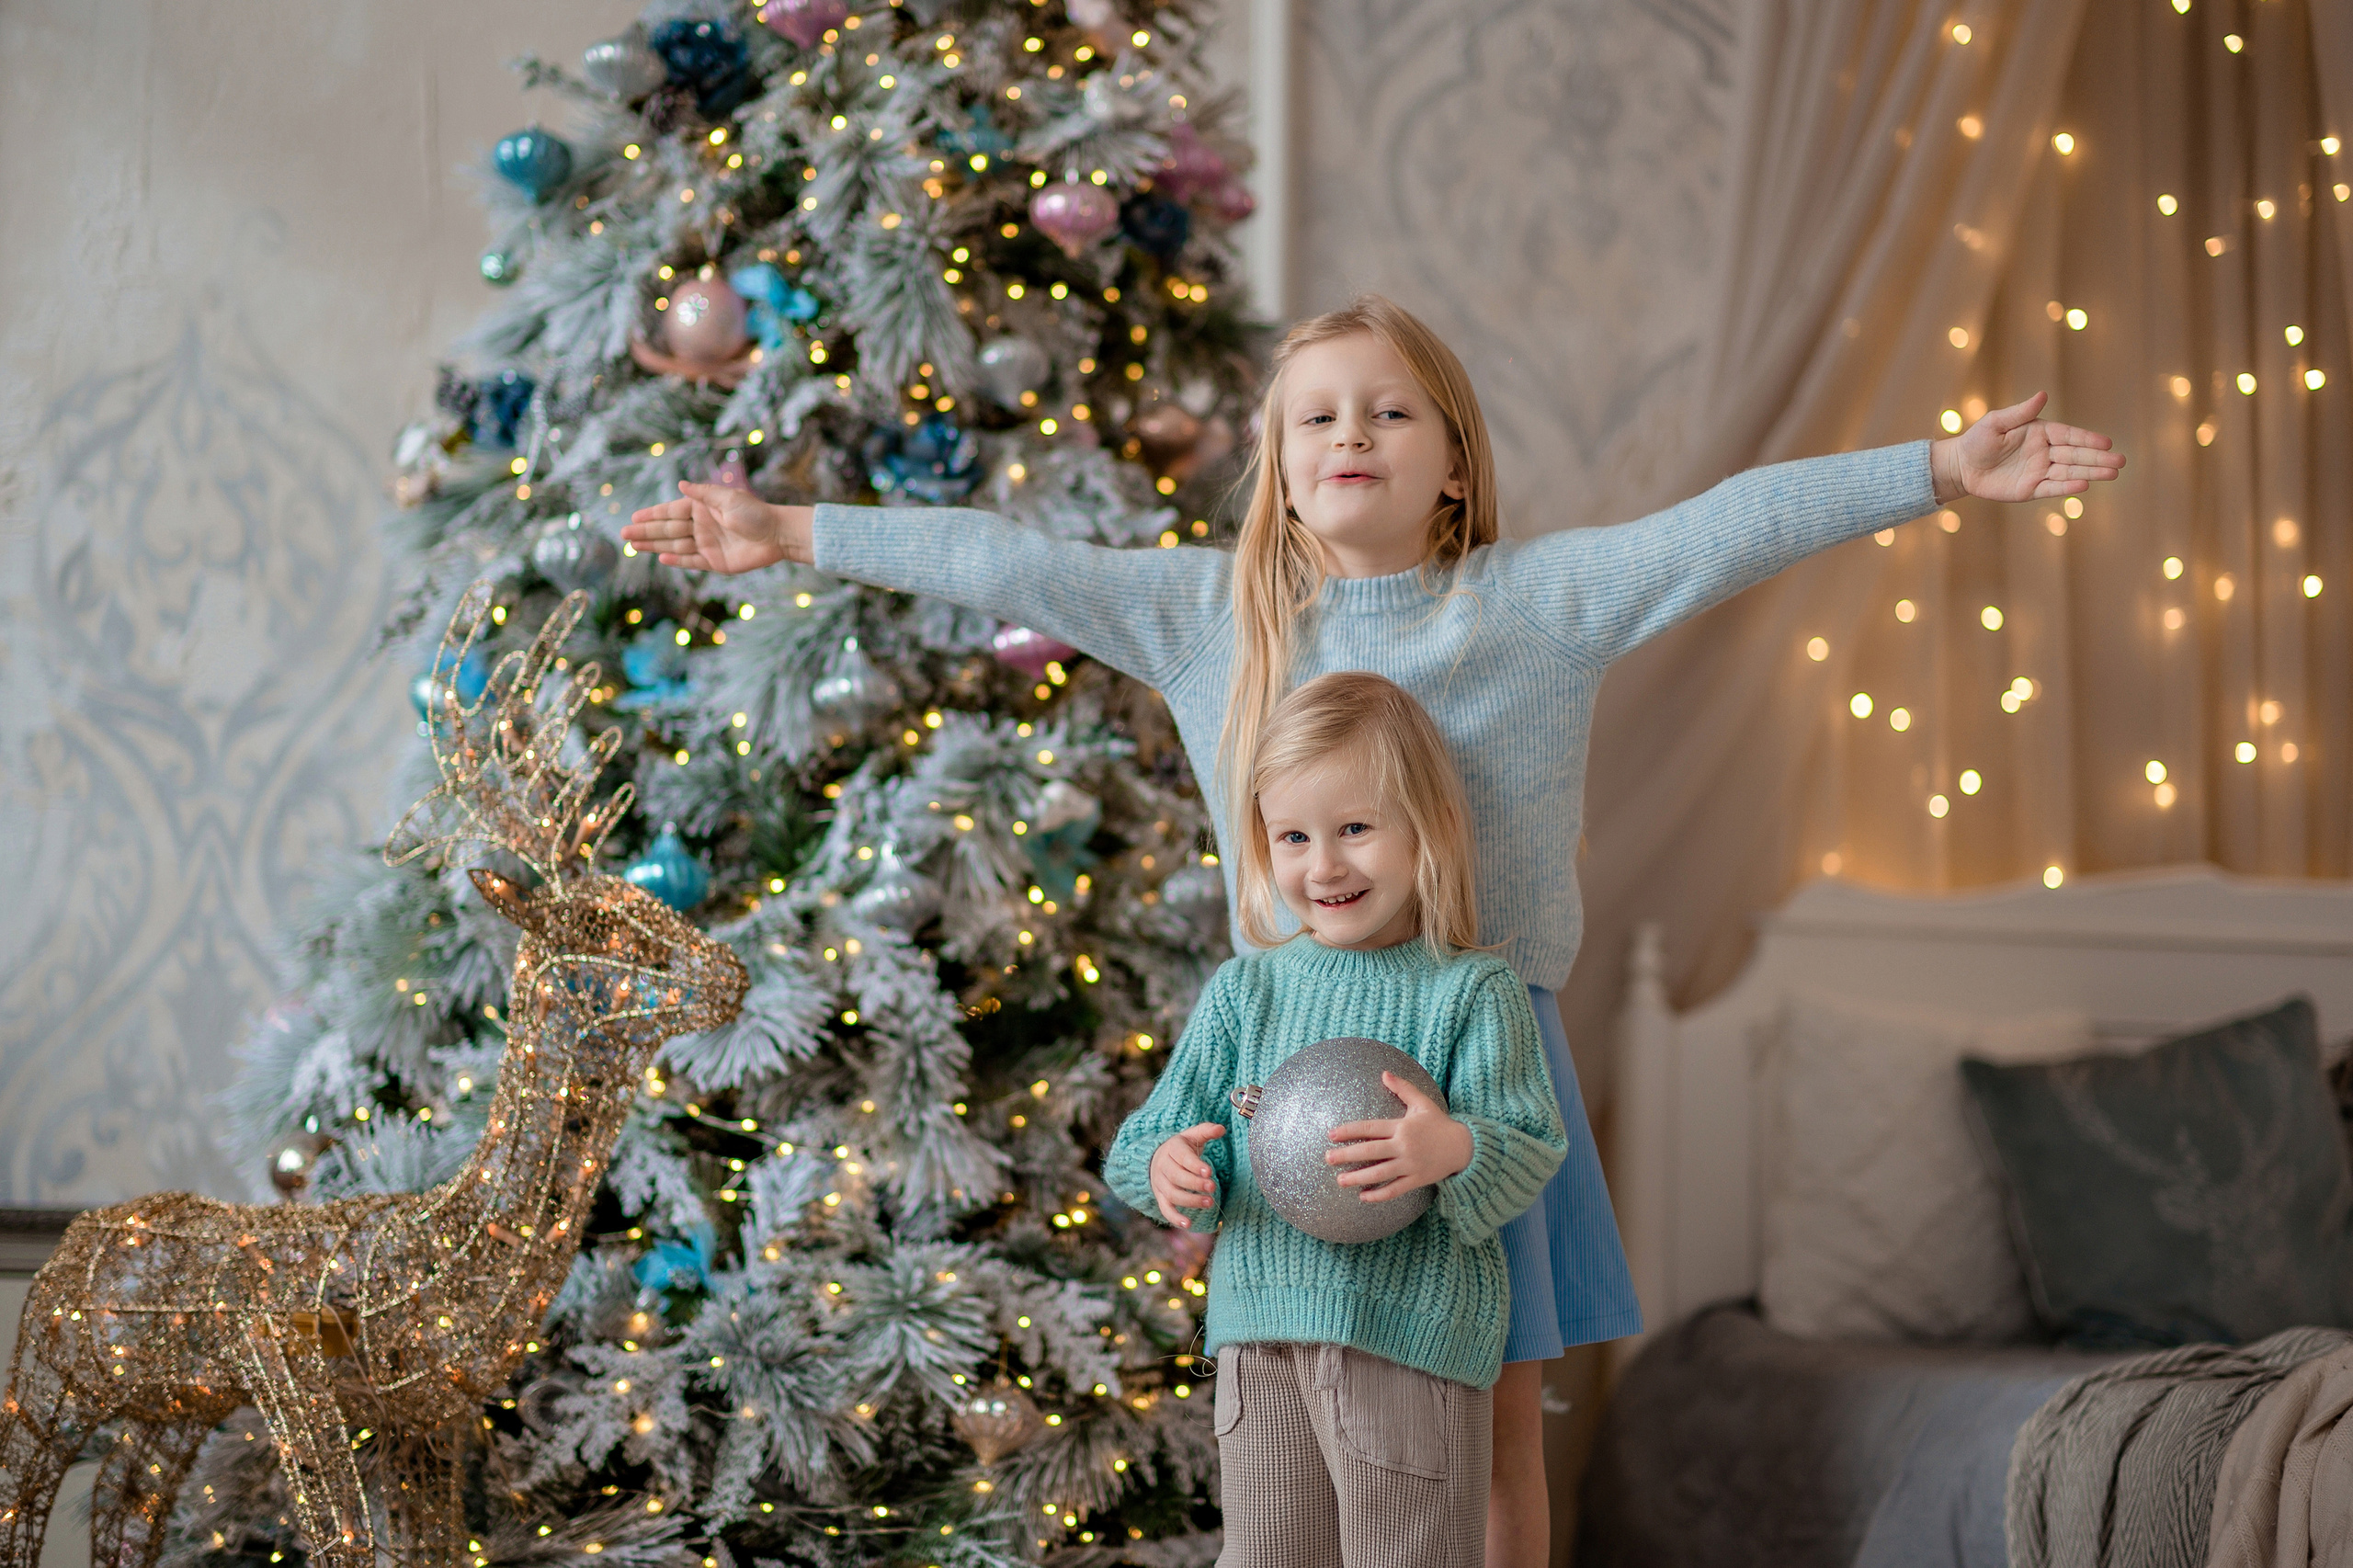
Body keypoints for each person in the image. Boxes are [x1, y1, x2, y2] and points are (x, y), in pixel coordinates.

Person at [624, 293, 2124, 1565]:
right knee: (1301, 1439)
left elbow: (1726, 526)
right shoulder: (1214, 617)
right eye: (1317, 418)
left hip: (1480, 1073)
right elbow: (1005, 560)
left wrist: (1936, 468)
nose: (1352, 435)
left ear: (1455, 466)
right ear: (1276, 470)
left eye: (1391, 414)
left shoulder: (1538, 601)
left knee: (1490, 1434)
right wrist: (787, 531)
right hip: (1285, 1066)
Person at [1108, 668, 1565, 1566]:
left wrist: (1453, 1146)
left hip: (1410, 1342)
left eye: (1355, 827)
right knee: (1266, 1553)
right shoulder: (1247, 990)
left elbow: (1529, 1140)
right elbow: (1142, 1139)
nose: (1324, 864)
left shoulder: (1469, 989)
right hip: (1259, 1338)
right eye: (1293, 836)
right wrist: (1167, 1164)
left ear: (1423, 828)